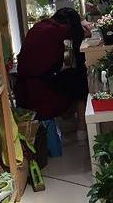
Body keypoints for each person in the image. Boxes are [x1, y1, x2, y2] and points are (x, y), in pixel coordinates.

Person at [14, 8, 92, 143]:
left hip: (23, 89)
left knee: (71, 76)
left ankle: (72, 122)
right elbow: (84, 36)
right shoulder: (60, 30)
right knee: (81, 79)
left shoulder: (40, 26)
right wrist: (82, 30)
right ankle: (81, 130)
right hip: (41, 88)